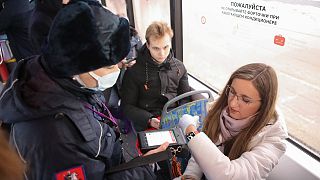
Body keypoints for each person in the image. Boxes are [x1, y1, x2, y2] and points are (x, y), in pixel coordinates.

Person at [0, 1, 167, 179]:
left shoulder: (55, 72)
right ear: (80, 68)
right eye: (110, 66)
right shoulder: (56, 140)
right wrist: (144, 168)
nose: (117, 70)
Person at [176, 63, 288, 180]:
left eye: (245, 100)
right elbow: (202, 149)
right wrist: (191, 174)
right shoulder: (216, 110)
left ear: (263, 105)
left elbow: (228, 176)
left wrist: (190, 131)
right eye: (232, 92)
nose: (232, 103)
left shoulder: (272, 140)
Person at [121, 21, 191, 132]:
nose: (162, 54)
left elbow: (185, 97)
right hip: (147, 120)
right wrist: (149, 120)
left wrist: (182, 115)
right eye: (156, 48)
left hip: (175, 117)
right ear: (148, 45)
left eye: (165, 47)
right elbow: (127, 106)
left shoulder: (179, 67)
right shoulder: (134, 71)